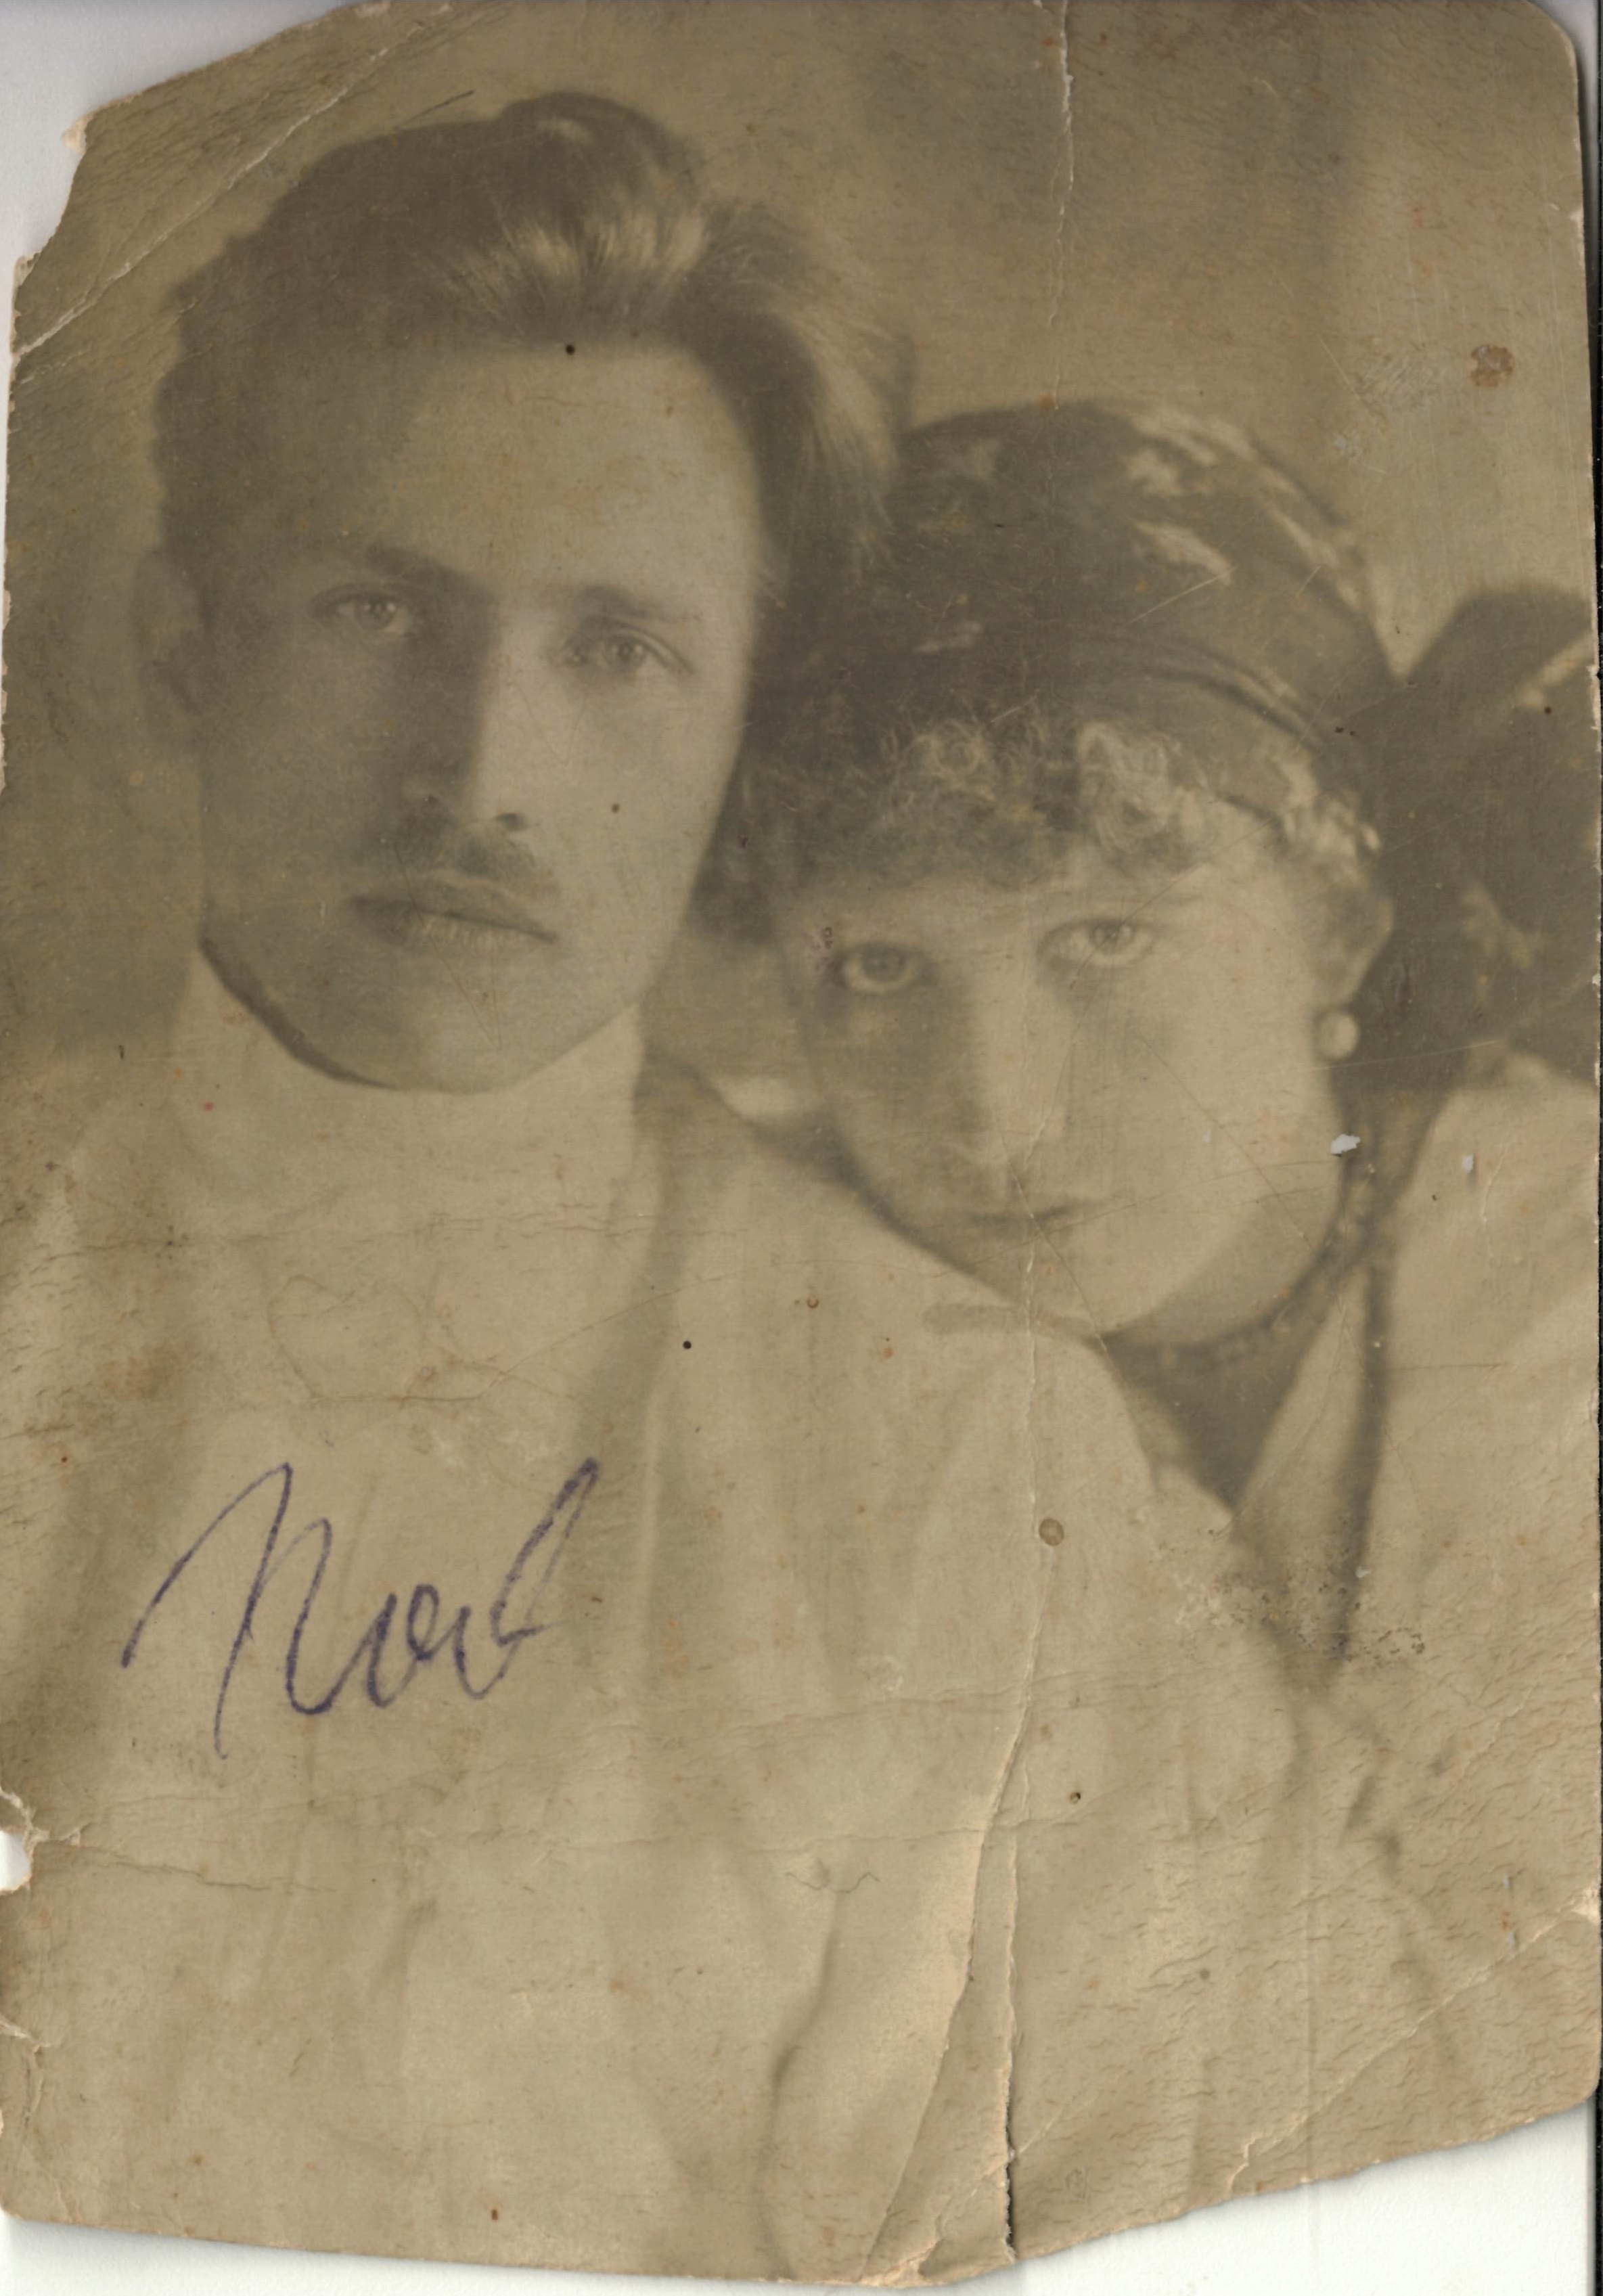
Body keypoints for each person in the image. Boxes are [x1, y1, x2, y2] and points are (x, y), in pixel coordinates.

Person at [0, 114, 1233, 2278]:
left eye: (618, 647)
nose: (480, 776)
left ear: (742, 718)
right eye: (379, 609)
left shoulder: (961, 1445)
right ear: (182, 643)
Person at [720, 399, 1598, 2252]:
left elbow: (1498, 2077)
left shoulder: (1563, 1294)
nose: (995, 1109)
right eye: (879, 968)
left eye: (1102, 938)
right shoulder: (775, 1281)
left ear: (1339, 921)